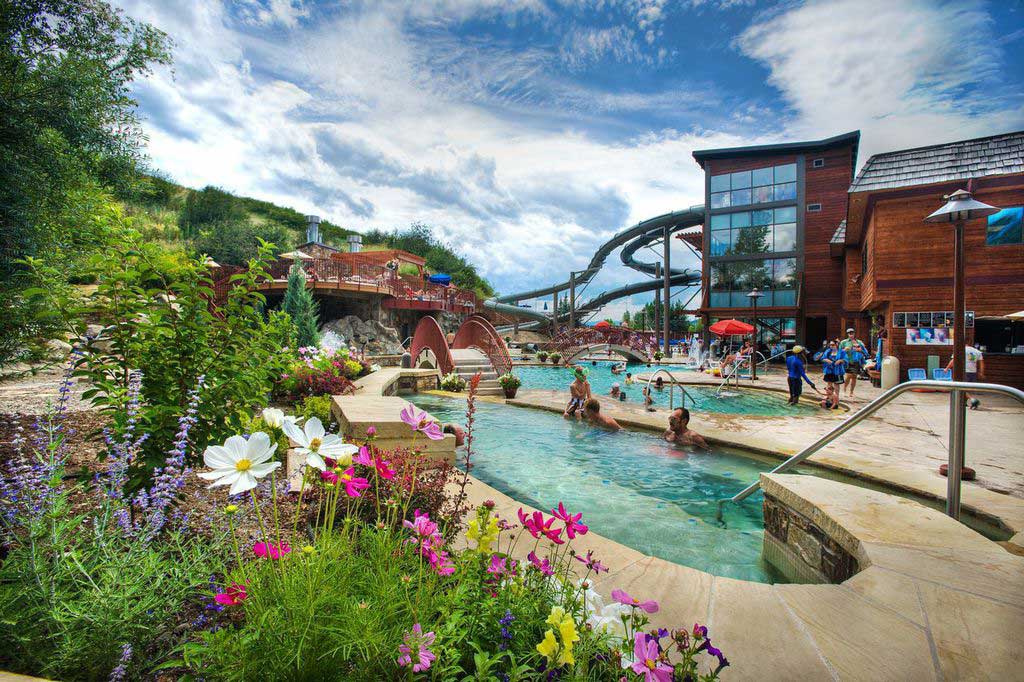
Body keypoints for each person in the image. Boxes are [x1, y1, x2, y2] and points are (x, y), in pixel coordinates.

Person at [945, 345, 985, 409]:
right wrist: (981, 372)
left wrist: (947, 368)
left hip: (963, 371)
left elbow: (953, 361)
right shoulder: (977, 351)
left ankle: (972, 399)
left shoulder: (960, 350)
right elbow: (981, 363)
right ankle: (965, 403)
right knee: (967, 388)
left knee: (961, 387)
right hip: (973, 372)